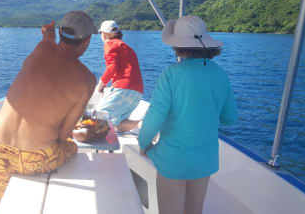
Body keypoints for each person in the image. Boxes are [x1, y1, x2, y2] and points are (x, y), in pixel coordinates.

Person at [0, 11, 98, 213]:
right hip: (37, 158)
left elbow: (48, 38)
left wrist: (48, 32)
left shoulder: (42, 48)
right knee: (71, 147)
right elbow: (63, 136)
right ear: (87, 41)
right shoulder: (86, 80)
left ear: (61, 34)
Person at [138, 15, 238, 214]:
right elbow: (230, 118)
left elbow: (155, 117)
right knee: (194, 210)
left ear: (177, 46)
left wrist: (143, 144)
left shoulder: (171, 75)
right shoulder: (220, 74)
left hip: (173, 160)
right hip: (205, 160)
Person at [96, 20, 144, 133]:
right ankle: (142, 124)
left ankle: (99, 145)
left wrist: (101, 84)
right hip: (137, 91)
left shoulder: (109, 43)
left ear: (104, 34)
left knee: (98, 115)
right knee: (117, 124)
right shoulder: (125, 47)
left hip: (124, 88)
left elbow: (112, 67)